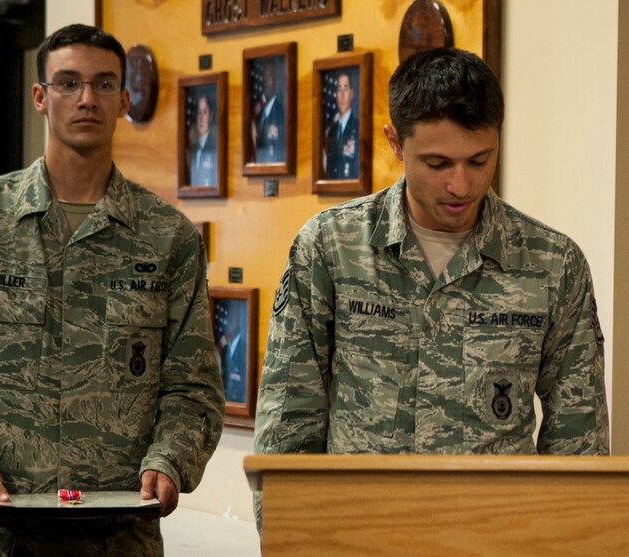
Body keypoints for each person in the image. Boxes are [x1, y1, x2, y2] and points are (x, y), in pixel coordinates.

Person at [253, 47, 609, 517]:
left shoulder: (552, 264)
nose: (461, 185)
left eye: (480, 161)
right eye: (437, 164)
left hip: (493, 535)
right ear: (395, 143)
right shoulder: (331, 248)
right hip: (360, 532)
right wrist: (289, 537)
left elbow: (578, 437)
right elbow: (288, 418)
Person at [0, 24, 225, 555]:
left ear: (125, 100)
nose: (87, 99)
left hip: (119, 536)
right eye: (68, 83)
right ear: (40, 97)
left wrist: (168, 461)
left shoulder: (166, 236)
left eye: (105, 85)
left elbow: (192, 386)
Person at [324, 71, 359, 179]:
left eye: (346, 89)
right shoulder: (332, 130)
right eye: (339, 89)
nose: (342, 95)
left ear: (351, 94)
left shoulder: (358, 127)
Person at [251, 60, 285, 163]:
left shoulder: (281, 114)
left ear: (276, 82)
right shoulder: (258, 112)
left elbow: (280, 152)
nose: (266, 81)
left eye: (270, 77)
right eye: (264, 78)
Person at [215, 300, 248, 403]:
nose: (230, 320)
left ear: (239, 319)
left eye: (233, 316)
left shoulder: (244, 348)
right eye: (229, 316)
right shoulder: (224, 347)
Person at [188, 93, 217, 186]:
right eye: (198, 113)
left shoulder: (216, 145)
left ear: (211, 116)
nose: (201, 118)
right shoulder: (192, 148)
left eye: (204, 112)